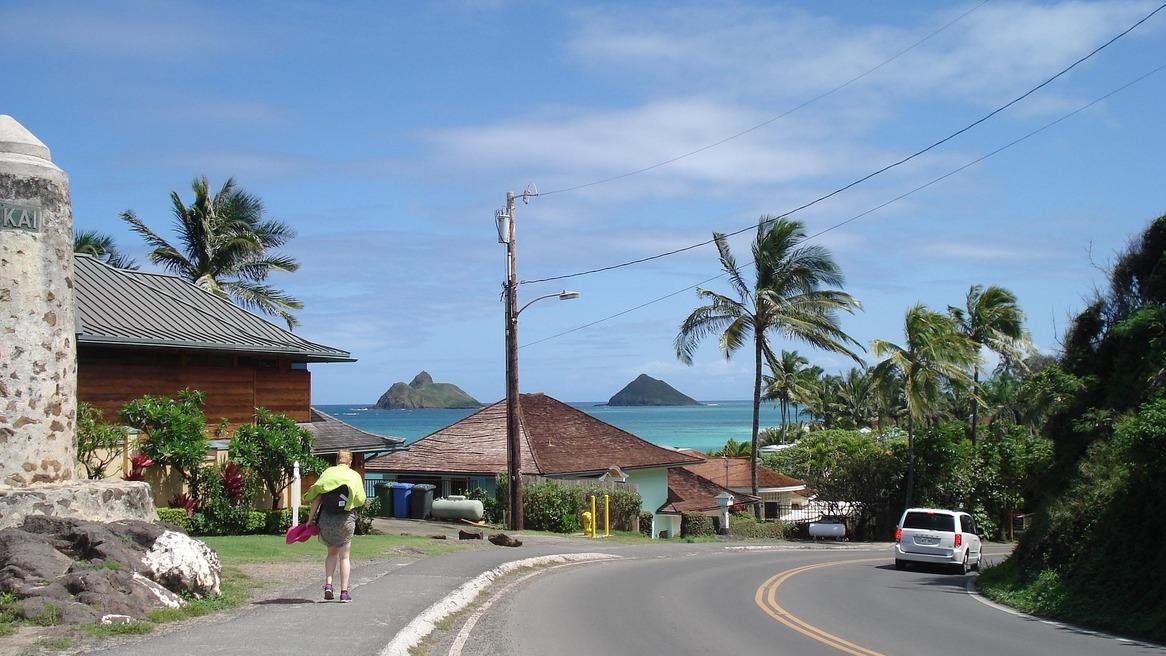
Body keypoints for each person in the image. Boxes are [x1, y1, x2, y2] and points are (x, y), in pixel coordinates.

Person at [303, 449, 366, 603]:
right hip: (345, 520)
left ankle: (329, 586)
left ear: (337, 460)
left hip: (327, 519)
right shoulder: (354, 476)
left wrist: (309, 520)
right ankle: (344, 593)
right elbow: (360, 499)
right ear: (350, 462)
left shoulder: (328, 473)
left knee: (331, 554)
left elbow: (317, 499)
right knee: (345, 557)